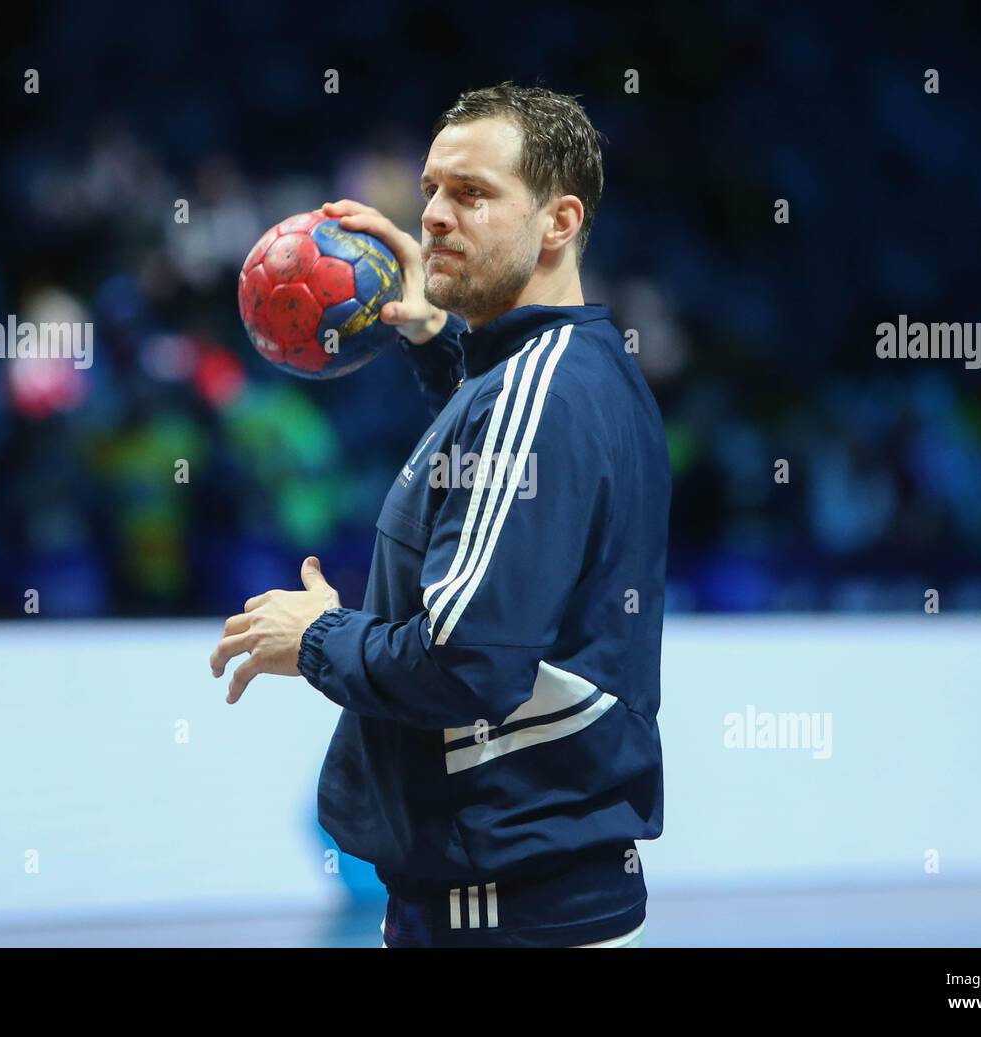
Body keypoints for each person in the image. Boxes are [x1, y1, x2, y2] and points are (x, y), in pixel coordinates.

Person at [210, 82, 670, 947]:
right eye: (430, 189)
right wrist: (432, 338)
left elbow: (467, 666)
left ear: (560, 221)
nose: (435, 218)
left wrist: (316, 635)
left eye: (473, 193)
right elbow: (501, 463)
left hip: (508, 919)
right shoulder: (564, 372)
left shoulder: (539, 393)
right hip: (526, 907)